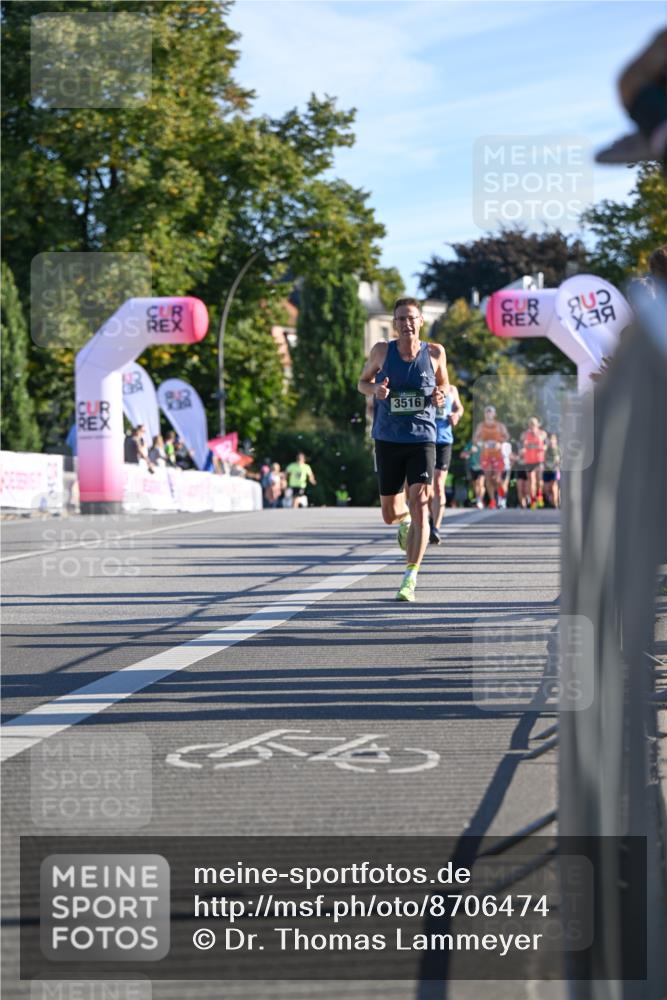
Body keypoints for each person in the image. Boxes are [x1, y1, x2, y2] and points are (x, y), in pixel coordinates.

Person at [357, 297, 448, 602]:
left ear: (421, 321)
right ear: (394, 324)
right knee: (389, 513)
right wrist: (375, 390)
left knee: (420, 500)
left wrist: (440, 396)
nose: (406, 323)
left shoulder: (435, 352)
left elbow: (444, 386)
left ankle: (410, 575)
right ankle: (404, 522)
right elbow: (362, 382)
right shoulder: (382, 351)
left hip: (422, 437)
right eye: (400, 319)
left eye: (412, 318)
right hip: (388, 438)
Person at [429, 383, 463, 544]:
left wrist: (456, 415)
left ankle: (436, 527)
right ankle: (428, 518)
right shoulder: (422, 384)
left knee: (438, 484)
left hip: (443, 440)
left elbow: (459, 408)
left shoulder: (451, 389)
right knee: (424, 487)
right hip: (423, 439)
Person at [473, 405, 509, 510]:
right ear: (484, 414)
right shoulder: (481, 426)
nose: (489, 414)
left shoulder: (500, 426)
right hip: (486, 455)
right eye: (487, 412)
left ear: (494, 414)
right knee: (488, 478)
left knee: (497, 479)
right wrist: (481, 443)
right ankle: (493, 500)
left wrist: (500, 442)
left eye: (491, 412)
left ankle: (502, 498)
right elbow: (475, 439)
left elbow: (506, 437)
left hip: (498, 455)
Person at [519, 416, 547, 508]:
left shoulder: (542, 434)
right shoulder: (525, 434)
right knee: (531, 480)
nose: (532, 426)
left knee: (539, 480)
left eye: (534, 424)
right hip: (529, 460)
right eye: (530, 424)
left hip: (539, 460)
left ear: (537, 425)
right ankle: (533, 500)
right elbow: (522, 445)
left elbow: (546, 445)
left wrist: (543, 447)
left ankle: (539, 495)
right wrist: (522, 450)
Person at [460, 438, 485, 508]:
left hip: (482, 467)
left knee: (481, 483)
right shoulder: (470, 444)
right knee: (475, 485)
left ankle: (480, 500)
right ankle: (478, 499)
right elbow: (462, 455)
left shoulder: (484, 444)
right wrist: (470, 452)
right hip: (473, 467)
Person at [542, 432, 561, 509]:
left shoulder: (558, 449)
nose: (551, 441)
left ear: (556, 440)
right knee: (546, 489)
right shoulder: (545, 449)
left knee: (553, 486)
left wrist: (558, 465)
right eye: (550, 439)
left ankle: (555, 504)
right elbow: (542, 459)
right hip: (546, 470)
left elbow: (560, 460)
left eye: (553, 439)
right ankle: (551, 500)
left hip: (554, 470)